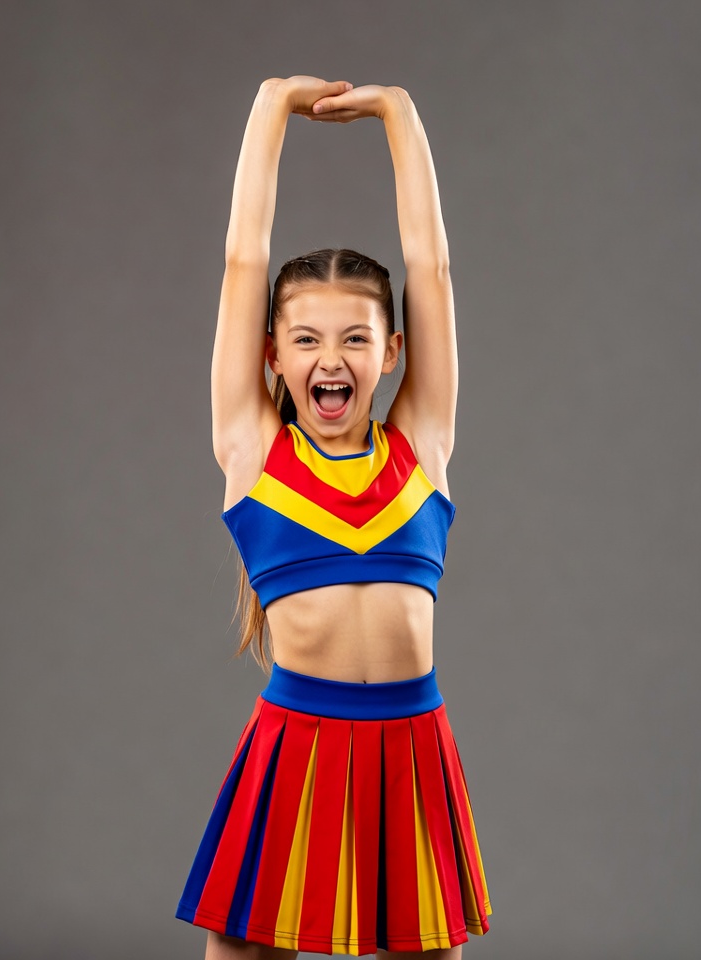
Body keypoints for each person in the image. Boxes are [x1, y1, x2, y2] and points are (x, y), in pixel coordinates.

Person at [176, 76, 492, 959]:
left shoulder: (419, 448)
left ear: (392, 353)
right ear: (272, 352)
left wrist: (402, 115)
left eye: (356, 338)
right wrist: (270, 106)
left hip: (411, 750)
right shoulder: (253, 453)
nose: (331, 359)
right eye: (307, 339)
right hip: (292, 745)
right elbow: (245, 259)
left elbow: (429, 267)